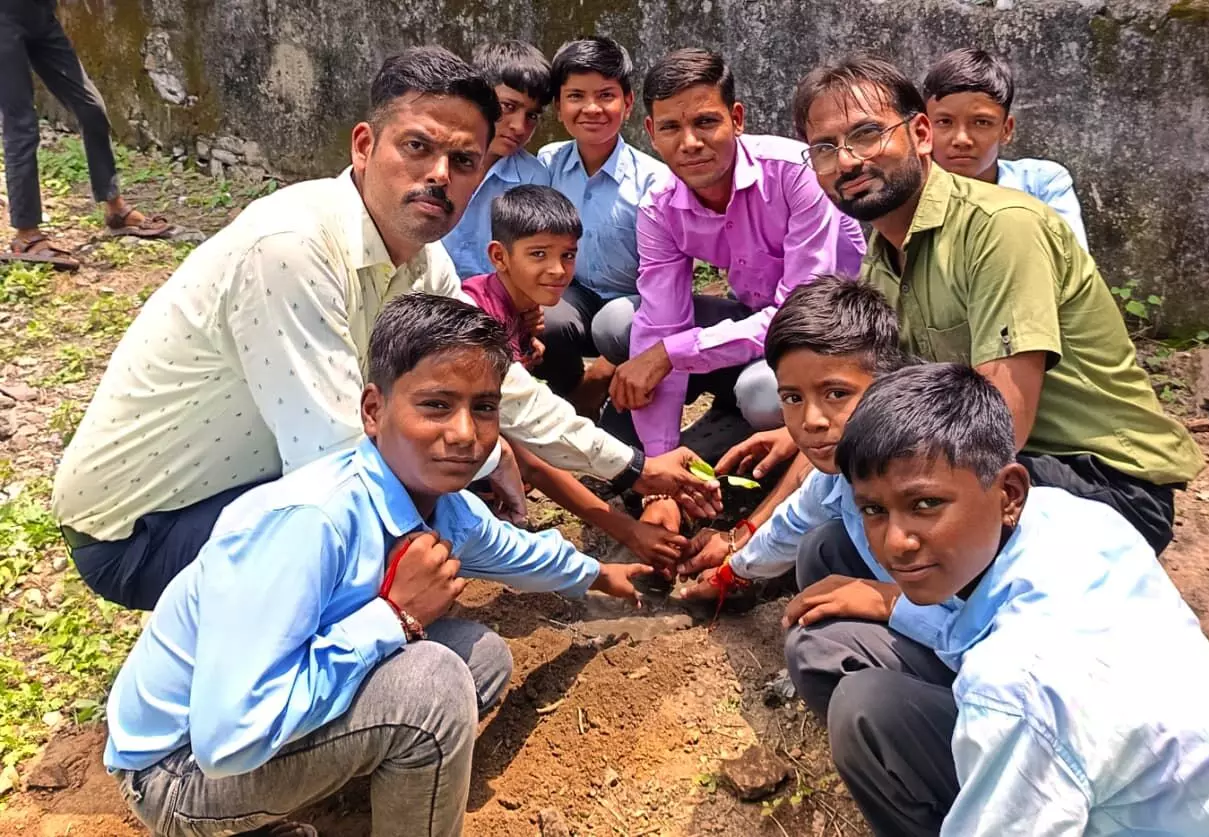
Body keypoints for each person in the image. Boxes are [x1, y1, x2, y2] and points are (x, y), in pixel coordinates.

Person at [52, 45, 719, 612]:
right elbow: (341, 469)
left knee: (439, 463)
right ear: (365, 146)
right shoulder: (291, 250)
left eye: (464, 161)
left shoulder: (424, 263)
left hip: (247, 484)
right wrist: (563, 555)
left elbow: (507, 388)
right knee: (412, 521)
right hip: (141, 532)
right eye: (417, 147)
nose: (439, 175)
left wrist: (633, 467)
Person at [105, 294, 655, 837]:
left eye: (484, 408)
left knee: (479, 659)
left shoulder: (439, 504)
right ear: (374, 411)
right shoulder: (309, 524)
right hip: (181, 772)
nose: (465, 434)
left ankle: (354, 790)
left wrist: (598, 574)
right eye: (436, 405)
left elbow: (514, 551)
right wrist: (394, 618)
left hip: (256, 732)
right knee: (433, 684)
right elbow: (228, 740)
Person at [784, 363, 1209, 836]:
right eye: (873, 510)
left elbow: (1018, 688)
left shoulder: (1016, 686)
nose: (896, 542)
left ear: (1009, 493)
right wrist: (892, 604)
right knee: (841, 670)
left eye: (926, 504)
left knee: (868, 709)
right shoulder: (1073, 518)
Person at [790, 54, 1203, 554]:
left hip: (1102, 483)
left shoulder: (1002, 228)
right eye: (825, 148)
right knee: (832, 547)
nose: (847, 161)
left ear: (920, 134)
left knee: (849, 538)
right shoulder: (881, 260)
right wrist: (796, 449)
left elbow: (1001, 427)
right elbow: (865, 396)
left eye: (866, 134)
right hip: (1008, 467)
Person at [598, 49, 866, 458]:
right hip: (753, 317)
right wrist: (660, 458)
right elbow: (661, 323)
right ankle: (723, 414)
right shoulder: (660, 206)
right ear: (651, 132)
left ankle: (780, 439)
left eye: (706, 122)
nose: (690, 143)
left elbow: (798, 316)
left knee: (761, 394)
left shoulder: (796, 173)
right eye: (670, 127)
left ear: (736, 119)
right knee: (621, 323)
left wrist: (672, 353)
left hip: (826, 333)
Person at [461, 184, 688, 568]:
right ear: (499, 256)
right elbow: (531, 460)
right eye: (539, 254)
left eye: (567, 255)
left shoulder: (519, 308)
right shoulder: (480, 323)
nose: (557, 270)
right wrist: (627, 529)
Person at [676, 276, 920, 603]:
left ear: (888, 384)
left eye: (836, 394)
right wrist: (730, 573)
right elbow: (787, 528)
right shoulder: (835, 478)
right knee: (819, 548)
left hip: (962, 624)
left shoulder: (931, 475)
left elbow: (980, 612)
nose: (811, 420)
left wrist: (888, 605)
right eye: (793, 399)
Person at [536, 36, 670, 405]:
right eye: (576, 96)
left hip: (634, 305)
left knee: (615, 324)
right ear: (559, 107)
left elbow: (665, 281)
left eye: (605, 95)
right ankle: (569, 398)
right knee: (545, 317)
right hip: (575, 295)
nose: (591, 108)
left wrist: (604, 368)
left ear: (627, 104)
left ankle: (608, 389)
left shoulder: (654, 181)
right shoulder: (549, 164)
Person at [0, 0, 171, 271]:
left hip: (41, 15)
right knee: (21, 126)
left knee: (91, 109)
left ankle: (115, 209)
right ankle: (26, 235)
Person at [922, 47, 1089, 249]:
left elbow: (1071, 260)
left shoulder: (1041, 184)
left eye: (981, 122)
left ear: (1006, 130)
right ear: (923, 130)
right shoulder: (911, 196)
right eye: (944, 122)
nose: (962, 139)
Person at [441, 40, 552, 278]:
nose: (519, 127)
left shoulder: (533, 178)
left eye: (532, 116)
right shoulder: (436, 159)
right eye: (508, 106)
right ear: (477, 97)